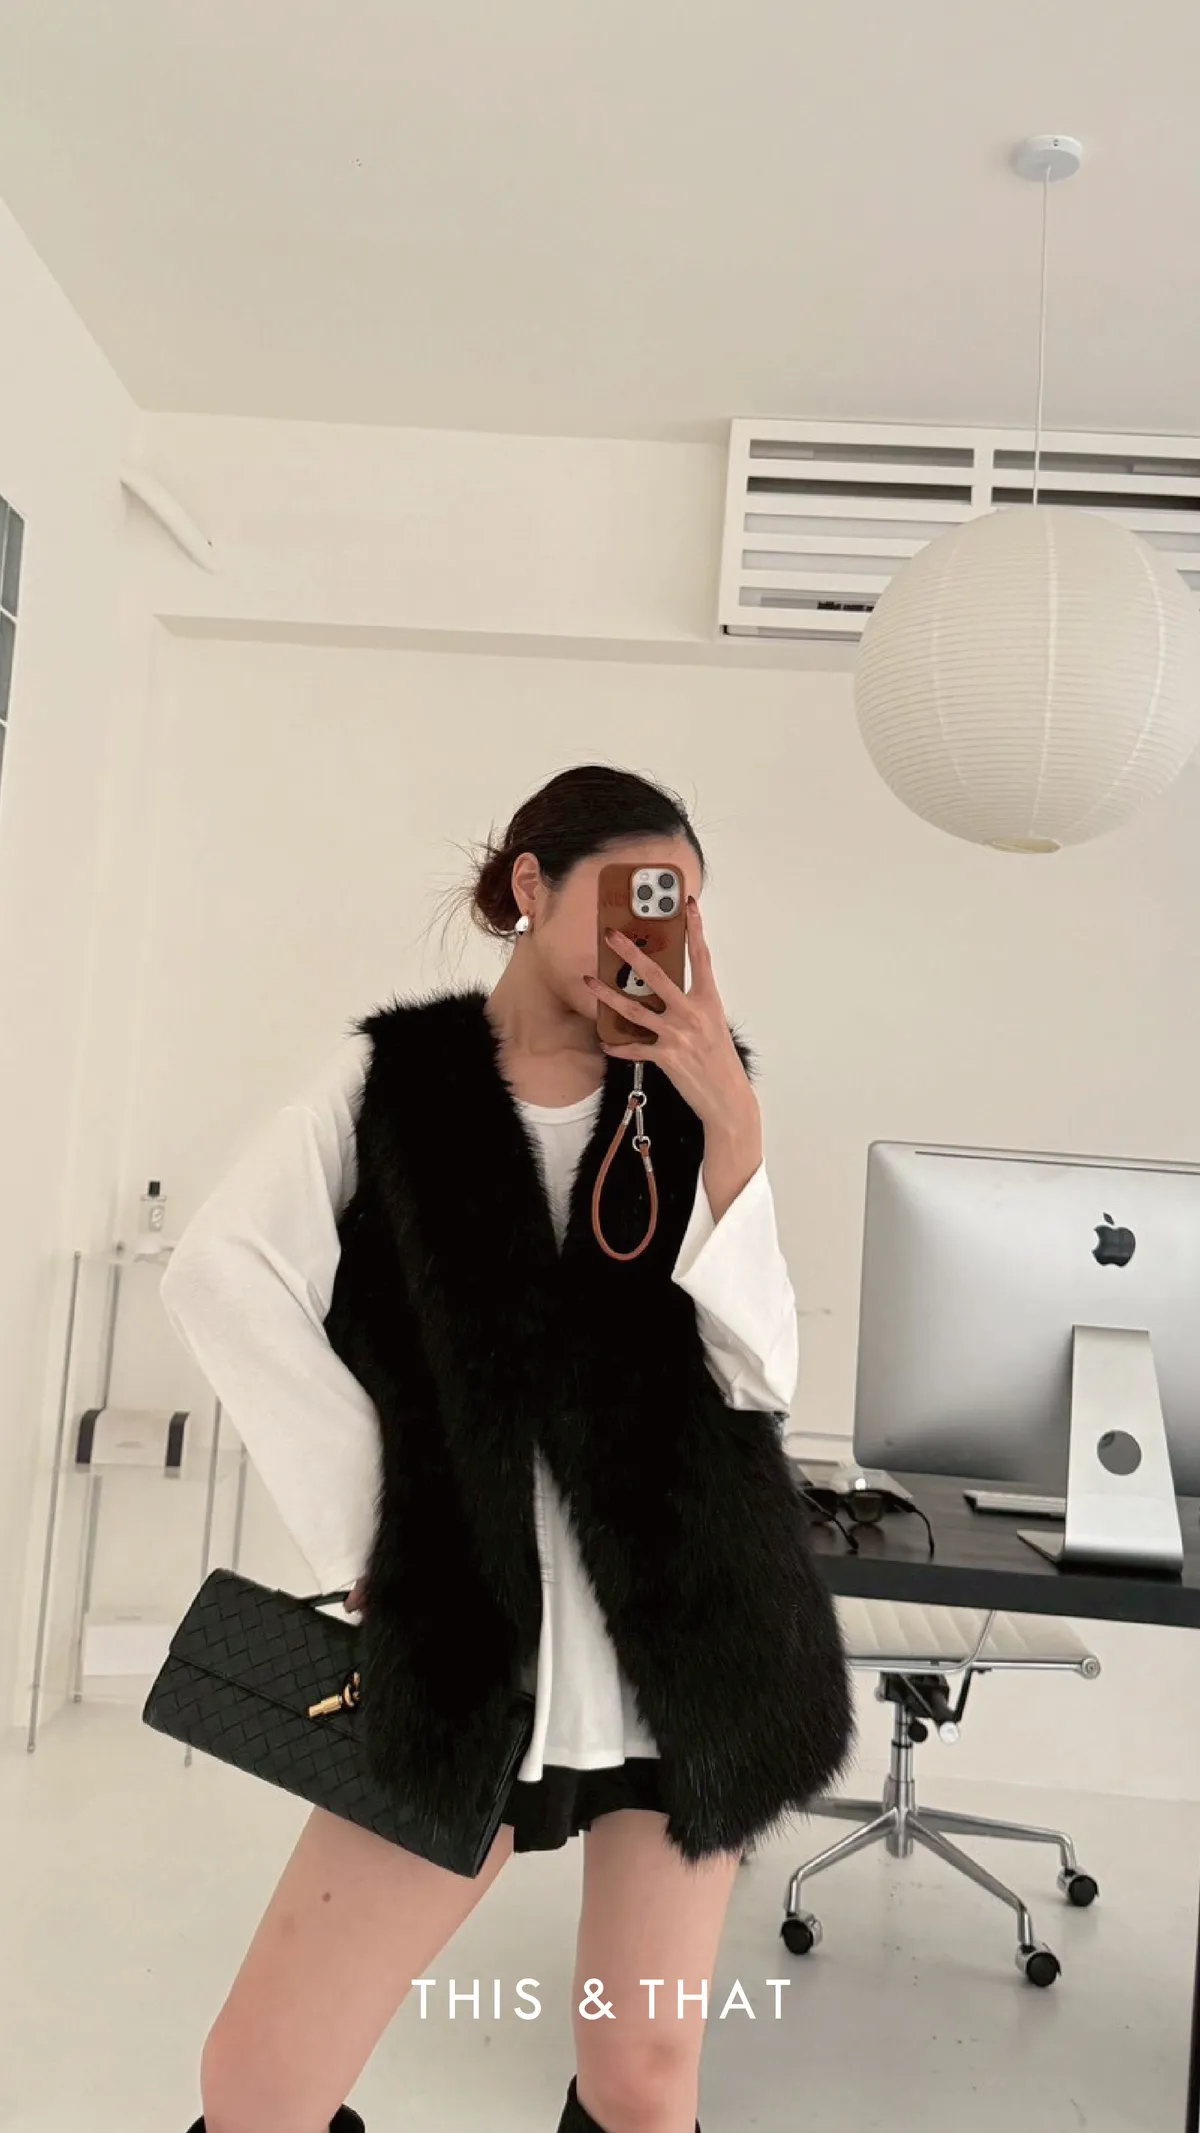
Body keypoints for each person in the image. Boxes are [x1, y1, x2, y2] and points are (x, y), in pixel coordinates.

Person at [159, 763, 852, 2133]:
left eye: (681, 908)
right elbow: (221, 1274)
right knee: (259, 2084)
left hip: (695, 1633)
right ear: (531, 886)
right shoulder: (394, 1080)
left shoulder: (696, 1095)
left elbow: (759, 1374)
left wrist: (734, 1131)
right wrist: (380, 1522)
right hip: (473, 1643)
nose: (652, 937)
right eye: (630, 898)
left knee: (642, 2084)